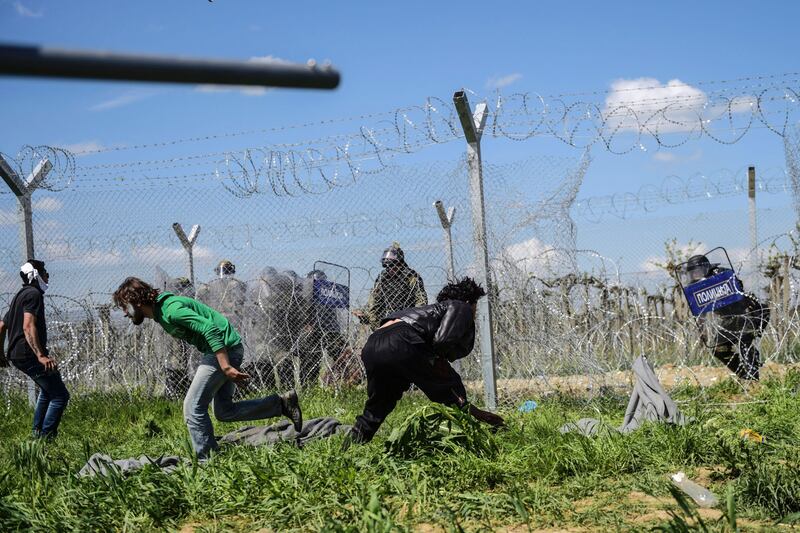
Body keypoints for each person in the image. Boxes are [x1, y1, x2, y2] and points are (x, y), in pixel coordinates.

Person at [112, 277, 302, 458]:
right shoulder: (162, 311)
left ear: (134, 301)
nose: (124, 313)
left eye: (124, 306)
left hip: (222, 350)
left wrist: (225, 367)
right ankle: (282, 404)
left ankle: (207, 460)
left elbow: (209, 328)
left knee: (192, 406)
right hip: (226, 349)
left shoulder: (171, 310)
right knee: (224, 411)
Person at [348, 277, 504, 444]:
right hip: (402, 340)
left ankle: (347, 452)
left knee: (377, 408)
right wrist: (439, 364)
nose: (474, 313)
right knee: (451, 386)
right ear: (469, 301)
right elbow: (443, 341)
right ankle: (480, 433)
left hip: (373, 344)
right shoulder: (461, 306)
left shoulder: (428, 311)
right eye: (475, 308)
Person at [0, 260, 70, 438]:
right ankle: (46, 437)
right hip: (29, 354)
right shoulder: (33, 294)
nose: (47, 275)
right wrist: (40, 355)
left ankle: (37, 433)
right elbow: (28, 325)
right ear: (36, 275)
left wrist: (1, 353)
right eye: (44, 272)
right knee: (60, 396)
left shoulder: (20, 296)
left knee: (48, 391)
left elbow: (2, 325)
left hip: (19, 354)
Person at [681, 254, 769, 380]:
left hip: (749, 311)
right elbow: (701, 312)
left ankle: (753, 378)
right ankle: (743, 375)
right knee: (719, 349)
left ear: (705, 268)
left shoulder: (721, 274)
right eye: (692, 273)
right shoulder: (696, 288)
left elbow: (738, 289)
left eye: (697, 271)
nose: (695, 275)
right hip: (730, 320)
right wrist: (702, 330)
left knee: (744, 340)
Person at [354, 243, 428, 331]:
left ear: (400, 263)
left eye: (392, 265)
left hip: (406, 321)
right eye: (386, 266)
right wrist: (365, 314)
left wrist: (413, 319)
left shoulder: (410, 277)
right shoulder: (382, 278)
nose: (389, 269)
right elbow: (375, 301)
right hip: (386, 321)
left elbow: (421, 300)